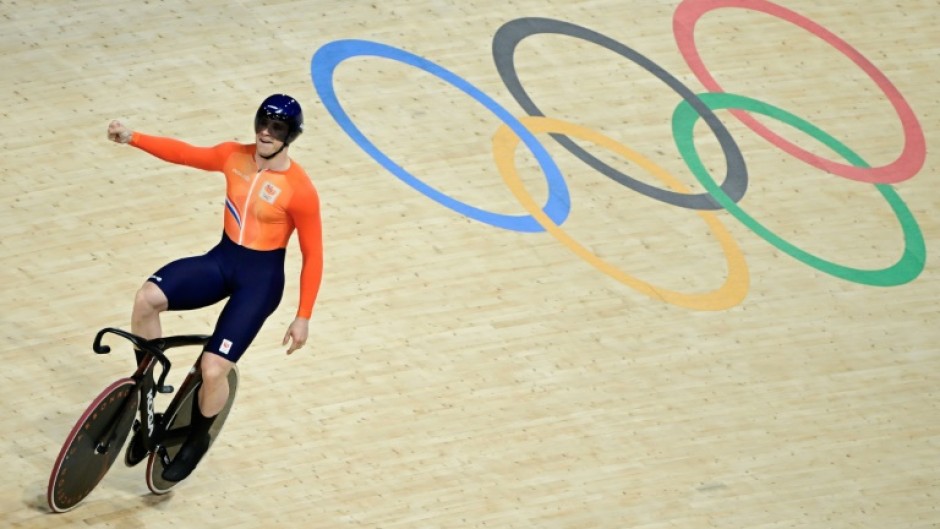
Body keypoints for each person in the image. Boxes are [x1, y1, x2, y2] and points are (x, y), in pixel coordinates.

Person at [107, 94, 324, 482]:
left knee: (212, 369)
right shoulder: (233, 156)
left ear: (290, 136)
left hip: (259, 282)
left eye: (277, 129)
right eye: (263, 123)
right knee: (146, 299)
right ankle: (149, 393)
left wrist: (303, 315)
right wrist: (132, 137)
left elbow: (313, 254)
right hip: (222, 261)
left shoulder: (300, 189)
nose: (265, 133)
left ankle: (197, 437)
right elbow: (185, 154)